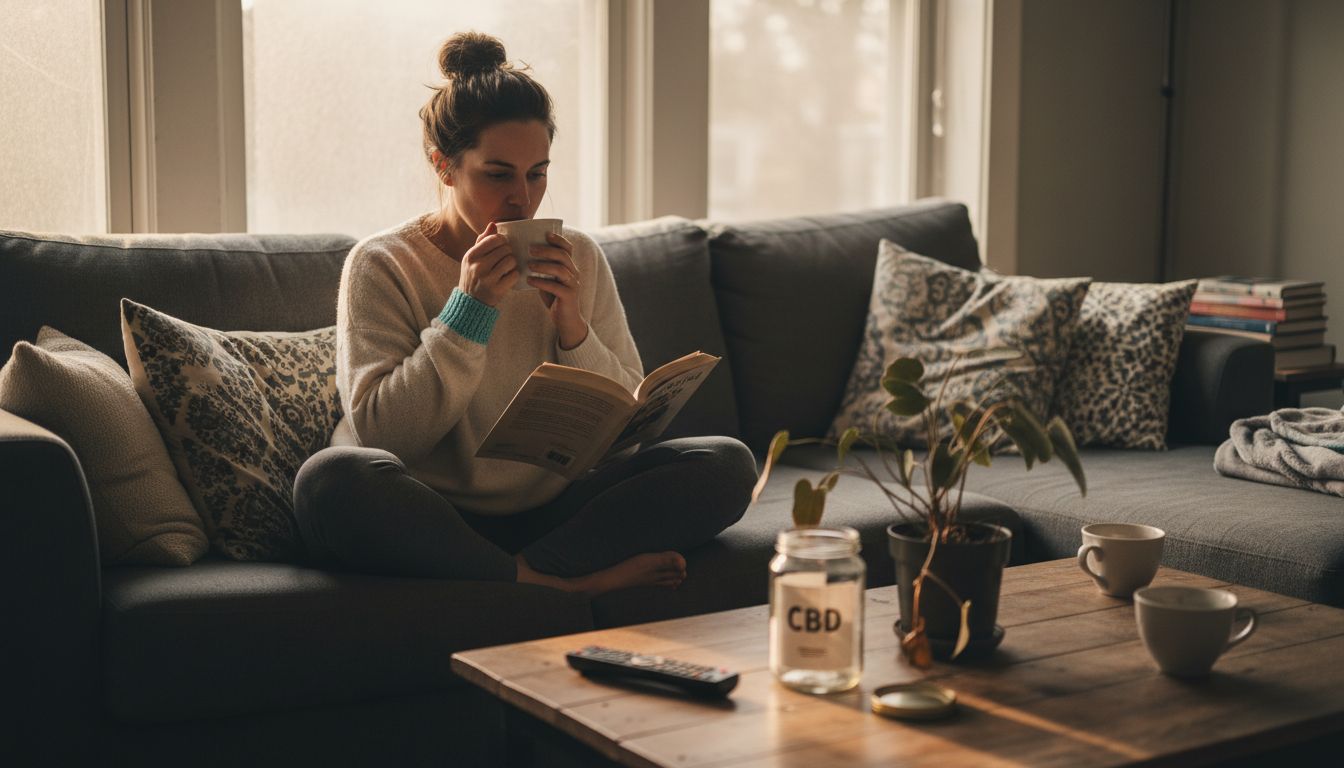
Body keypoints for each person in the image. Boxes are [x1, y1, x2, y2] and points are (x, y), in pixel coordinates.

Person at [292, 31, 757, 596]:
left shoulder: (578, 256)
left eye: (537, 172)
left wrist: (573, 328)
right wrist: (468, 314)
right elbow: (383, 435)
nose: (523, 197)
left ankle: (520, 576)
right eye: (498, 174)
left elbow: (626, 440)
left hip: (554, 510)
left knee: (725, 464)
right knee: (329, 482)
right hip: (431, 512)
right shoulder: (383, 263)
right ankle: (550, 583)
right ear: (444, 166)